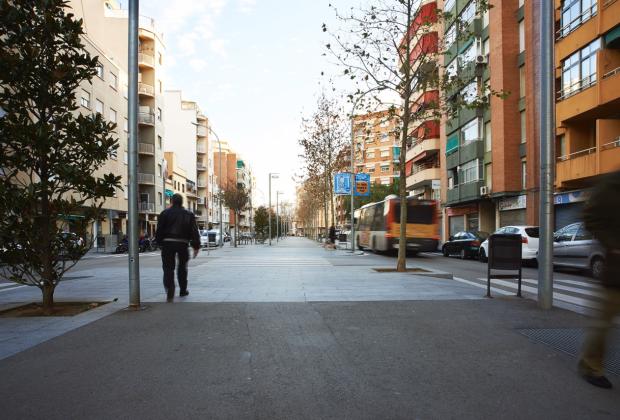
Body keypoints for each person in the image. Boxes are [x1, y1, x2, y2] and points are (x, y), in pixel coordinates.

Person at [577, 170, 620, 389]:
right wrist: (614, 246)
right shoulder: (612, 184)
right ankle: (590, 366)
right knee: (603, 321)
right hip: (617, 269)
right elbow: (591, 216)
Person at [155, 193, 200, 302]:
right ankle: (183, 290)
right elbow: (194, 231)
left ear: (171, 202)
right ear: (182, 202)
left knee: (168, 267)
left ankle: (170, 287)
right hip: (182, 243)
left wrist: (159, 243)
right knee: (182, 267)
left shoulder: (164, 213)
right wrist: (196, 246)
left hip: (167, 243)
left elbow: (159, 230)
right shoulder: (189, 214)